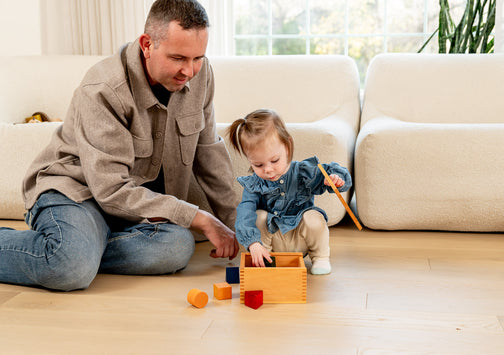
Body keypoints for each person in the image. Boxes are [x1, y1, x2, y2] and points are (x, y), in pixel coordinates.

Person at [0, 0, 239, 291]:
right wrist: (198, 216)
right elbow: (110, 190)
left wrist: (241, 227)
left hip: (132, 209)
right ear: (147, 44)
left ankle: (81, 249)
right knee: (70, 268)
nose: (189, 71)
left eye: (197, 58)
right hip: (77, 193)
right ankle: (74, 254)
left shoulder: (201, 74)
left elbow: (209, 154)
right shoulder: (103, 88)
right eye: (178, 58)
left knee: (176, 247)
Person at [227, 109, 352, 275]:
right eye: (258, 165)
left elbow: (334, 176)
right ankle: (264, 260)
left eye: (274, 160)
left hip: (301, 241)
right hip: (272, 244)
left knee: (313, 216)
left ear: (287, 146)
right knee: (259, 216)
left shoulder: (303, 172)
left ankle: (320, 257)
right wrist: (252, 243)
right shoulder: (254, 185)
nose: (269, 170)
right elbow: (244, 214)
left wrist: (334, 179)